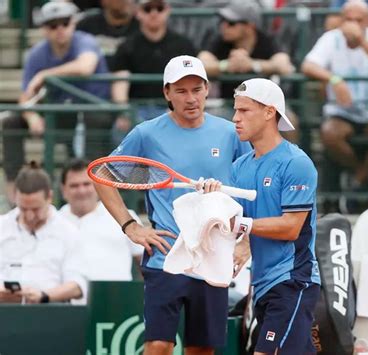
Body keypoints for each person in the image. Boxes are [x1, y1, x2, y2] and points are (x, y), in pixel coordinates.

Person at [93, 55, 251, 355]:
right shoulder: (146, 133)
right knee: (158, 346)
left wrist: (246, 242)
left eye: (197, 89)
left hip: (214, 256)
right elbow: (102, 177)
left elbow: (248, 187)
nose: (190, 98)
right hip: (165, 255)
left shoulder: (231, 133)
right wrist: (131, 227)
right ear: (167, 93)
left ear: (207, 90)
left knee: (201, 350)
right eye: (181, 91)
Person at [204, 78, 321, 354]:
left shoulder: (297, 163)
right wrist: (212, 198)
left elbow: (291, 228)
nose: (235, 118)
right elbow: (231, 224)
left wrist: (242, 224)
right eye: (235, 110)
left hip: (294, 281)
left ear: (270, 112)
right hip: (261, 285)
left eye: (244, 111)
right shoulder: (239, 167)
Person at [2, 0, 112, 205]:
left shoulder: (85, 41)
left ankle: (96, 196)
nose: (60, 29)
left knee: (96, 122)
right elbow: (25, 96)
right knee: (11, 123)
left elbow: (85, 66)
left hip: (92, 112)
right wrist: (32, 116)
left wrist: (45, 74)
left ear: (73, 23)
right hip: (57, 114)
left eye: (65, 22)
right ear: (44, 29)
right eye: (53, 25)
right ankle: (15, 195)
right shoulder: (37, 53)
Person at [301, 0, 368, 188]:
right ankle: (359, 172)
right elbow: (308, 65)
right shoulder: (331, 38)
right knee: (330, 134)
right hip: (342, 111)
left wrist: (362, 41)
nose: (353, 24)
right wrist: (334, 79)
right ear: (341, 20)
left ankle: (359, 177)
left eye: (359, 20)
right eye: (348, 19)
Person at [198, 0, 299, 142]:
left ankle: (288, 162)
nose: (224, 26)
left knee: (289, 120)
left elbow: (285, 66)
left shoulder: (265, 40)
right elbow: (201, 63)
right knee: (211, 123)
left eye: (231, 23)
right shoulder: (221, 41)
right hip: (230, 105)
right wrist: (226, 65)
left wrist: (252, 64)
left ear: (249, 26)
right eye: (223, 21)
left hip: (264, 104)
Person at [110, 0, 196, 143]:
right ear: (138, 12)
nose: (154, 13)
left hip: (173, 107)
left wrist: (178, 109)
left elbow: (192, 83)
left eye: (159, 8)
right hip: (137, 109)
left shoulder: (183, 44)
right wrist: (125, 112)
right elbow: (120, 85)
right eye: (148, 9)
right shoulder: (127, 46)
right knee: (120, 129)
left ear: (167, 10)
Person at [0, 163, 87, 304]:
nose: (29, 216)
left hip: (49, 314)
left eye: (35, 209)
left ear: (49, 197)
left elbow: (78, 285)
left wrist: (44, 296)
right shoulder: (2, 226)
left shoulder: (68, 231)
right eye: (23, 208)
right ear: (15, 198)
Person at [59, 158, 143, 281]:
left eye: (86, 184)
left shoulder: (126, 218)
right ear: (63, 189)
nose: (81, 191)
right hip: (65, 299)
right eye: (74, 186)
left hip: (116, 298)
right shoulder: (55, 220)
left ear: (97, 186)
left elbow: (146, 264)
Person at [76, 0, 140, 69]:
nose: (127, 1)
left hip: (128, 76)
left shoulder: (142, 26)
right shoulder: (86, 25)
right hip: (94, 76)